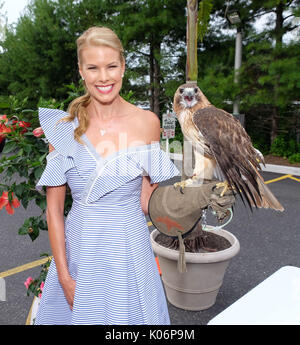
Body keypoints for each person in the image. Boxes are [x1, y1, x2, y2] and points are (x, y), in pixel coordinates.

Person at [34, 26, 179, 325]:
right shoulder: (63, 129)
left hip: (129, 252)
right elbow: (54, 210)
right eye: (93, 67)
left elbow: (146, 202)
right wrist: (63, 276)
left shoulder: (147, 123)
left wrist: (186, 204)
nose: (104, 77)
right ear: (81, 71)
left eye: (111, 66)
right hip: (81, 251)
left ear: (123, 67)